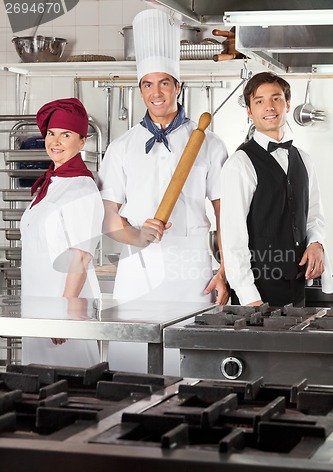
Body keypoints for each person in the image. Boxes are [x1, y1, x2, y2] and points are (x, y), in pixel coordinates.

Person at [98, 9, 229, 373]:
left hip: (192, 275)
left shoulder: (210, 144)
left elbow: (226, 216)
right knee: (132, 373)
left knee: (189, 371)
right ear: (139, 89)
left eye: (164, 83)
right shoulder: (121, 147)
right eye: (147, 84)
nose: (156, 93)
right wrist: (136, 235)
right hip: (136, 275)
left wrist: (226, 271)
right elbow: (109, 218)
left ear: (178, 86)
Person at [220, 71, 333, 307]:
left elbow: (313, 217)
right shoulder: (240, 163)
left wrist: (316, 243)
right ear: (249, 112)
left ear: (288, 104)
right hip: (258, 295)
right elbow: (233, 239)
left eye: (276, 98)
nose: (269, 107)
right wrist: (250, 297)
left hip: (297, 292)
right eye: (259, 101)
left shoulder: (303, 159)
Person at [20, 97, 104, 366]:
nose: (55, 142)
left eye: (65, 135)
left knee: (73, 389)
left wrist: (64, 315)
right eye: (52, 134)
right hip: (36, 304)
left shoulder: (82, 188)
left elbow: (81, 255)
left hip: (65, 309)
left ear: (82, 141)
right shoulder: (51, 184)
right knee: (36, 391)